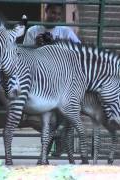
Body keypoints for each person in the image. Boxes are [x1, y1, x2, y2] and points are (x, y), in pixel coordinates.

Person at [22, 3, 80, 157]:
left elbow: (80, 51)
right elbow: (23, 56)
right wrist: (36, 45)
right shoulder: (33, 31)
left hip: (61, 82)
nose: (56, 17)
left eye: (59, 14)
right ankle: (55, 136)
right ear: (45, 11)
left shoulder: (65, 32)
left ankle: (45, 154)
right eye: (53, 13)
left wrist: (59, 46)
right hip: (39, 82)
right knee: (35, 117)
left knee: (63, 113)